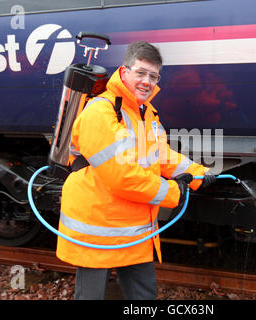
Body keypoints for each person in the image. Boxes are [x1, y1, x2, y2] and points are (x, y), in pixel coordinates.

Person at [56, 41, 216, 300]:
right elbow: (123, 177)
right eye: (140, 73)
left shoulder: (145, 113)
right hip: (97, 226)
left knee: (143, 297)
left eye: (153, 76)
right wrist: (176, 192)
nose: (147, 81)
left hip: (133, 227)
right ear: (124, 71)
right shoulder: (101, 111)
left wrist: (200, 176)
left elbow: (161, 156)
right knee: (91, 296)